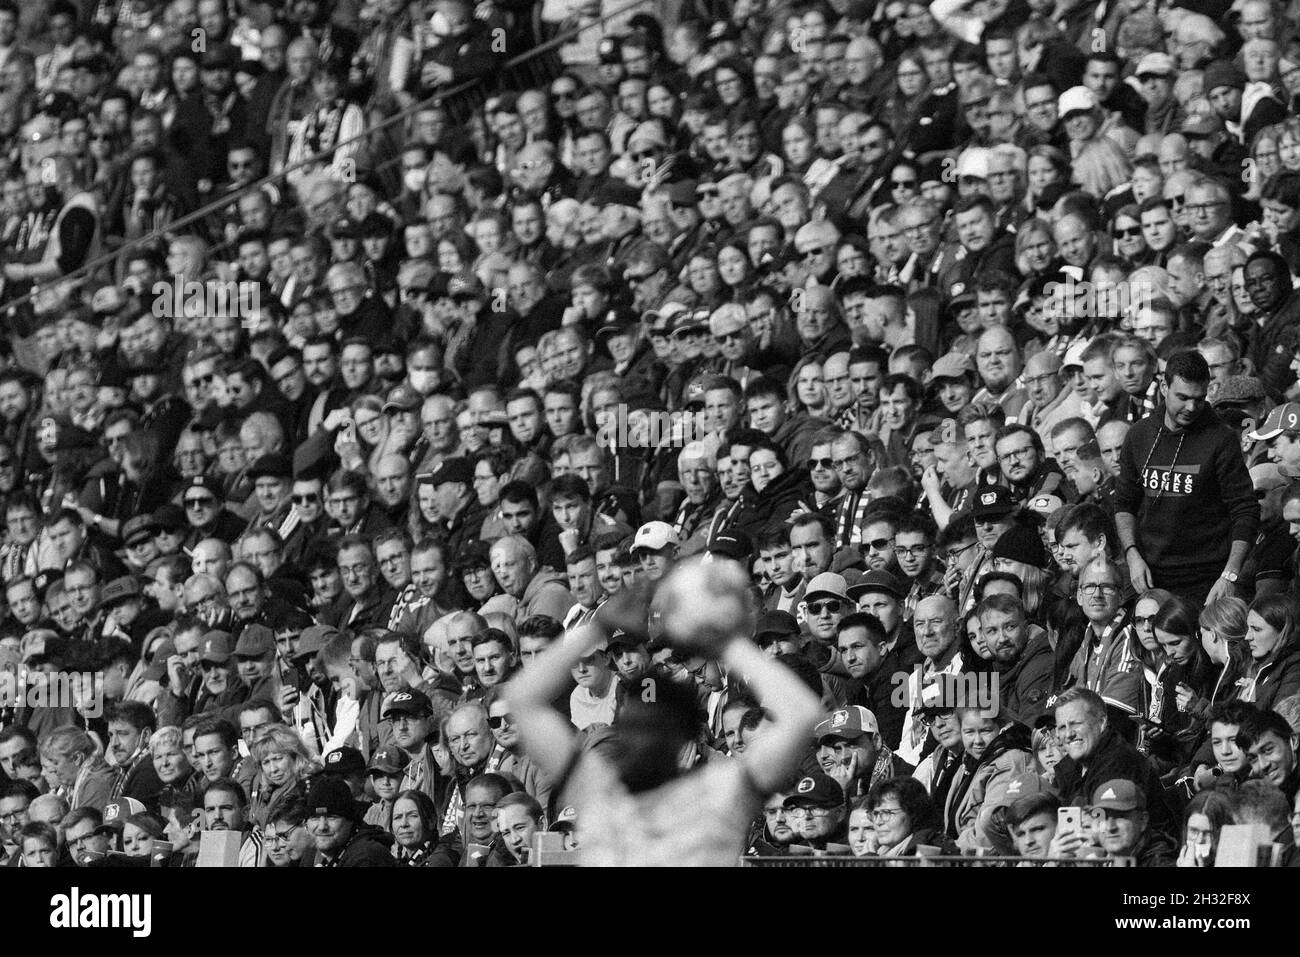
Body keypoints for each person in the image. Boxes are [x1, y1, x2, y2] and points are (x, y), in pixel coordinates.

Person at [505, 557, 823, 866]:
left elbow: (802, 713)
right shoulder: (597, 790)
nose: (640, 740)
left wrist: (726, 643)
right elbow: (519, 700)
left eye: (654, 728)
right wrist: (596, 626)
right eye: (633, 726)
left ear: (684, 736)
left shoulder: (719, 792)